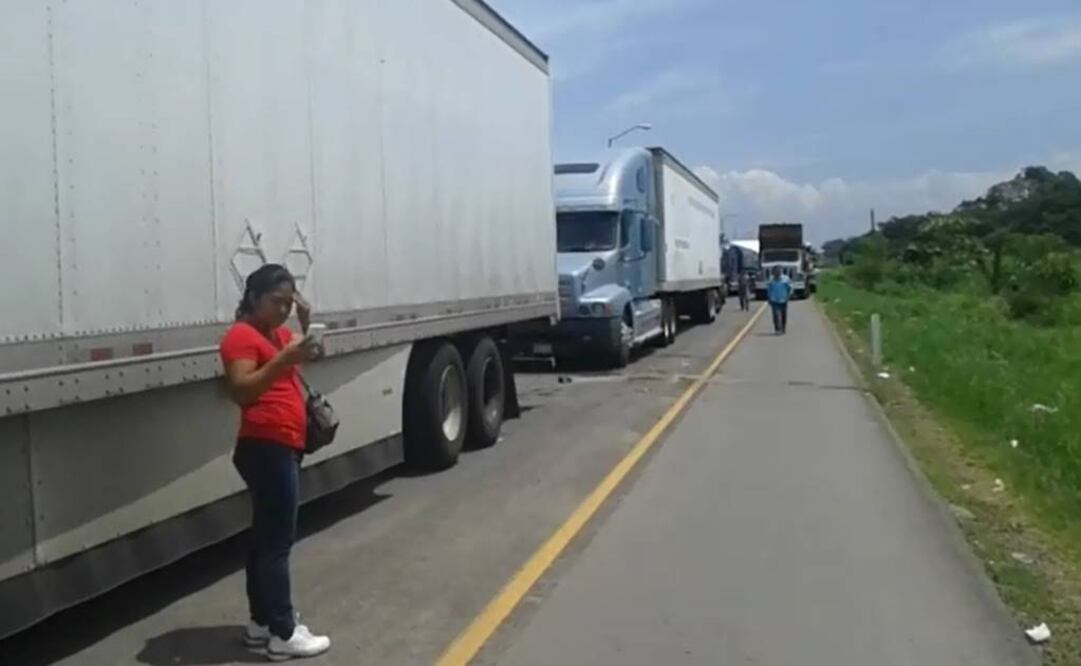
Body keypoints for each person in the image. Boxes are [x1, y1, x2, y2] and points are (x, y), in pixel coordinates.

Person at [219, 264, 331, 661]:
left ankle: (260, 623)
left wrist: (307, 323)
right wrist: (283, 360)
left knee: (263, 539)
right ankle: (283, 632)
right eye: (276, 302)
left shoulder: (279, 334)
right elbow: (241, 390)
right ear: (253, 299)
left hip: (282, 445)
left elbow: (315, 355)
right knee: (277, 544)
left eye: (288, 303)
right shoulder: (241, 337)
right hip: (265, 448)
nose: (283, 310)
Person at [767, 265, 792, 334]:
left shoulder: (786, 279)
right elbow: (769, 290)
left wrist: (788, 296)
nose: (777, 272)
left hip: (783, 300)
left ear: (781, 271)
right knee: (775, 315)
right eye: (776, 271)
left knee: (783, 315)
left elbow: (790, 288)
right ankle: (777, 329)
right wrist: (769, 298)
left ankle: (783, 328)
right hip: (774, 300)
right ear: (773, 272)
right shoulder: (771, 280)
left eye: (779, 270)